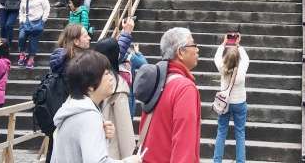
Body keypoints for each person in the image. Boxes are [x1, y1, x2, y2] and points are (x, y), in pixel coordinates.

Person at [52, 50, 141, 163]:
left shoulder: (73, 108)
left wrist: (101, 134)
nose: (111, 78)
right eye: (106, 74)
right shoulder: (88, 117)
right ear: (90, 86)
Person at [139, 27, 201, 163]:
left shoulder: (157, 80)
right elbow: (184, 144)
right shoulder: (185, 88)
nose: (197, 49)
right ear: (180, 52)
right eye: (193, 45)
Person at [45, 24, 92, 163]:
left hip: (58, 113)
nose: (89, 37)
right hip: (71, 115)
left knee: (55, 150)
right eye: (85, 35)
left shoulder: (61, 60)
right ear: (76, 41)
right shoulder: (75, 65)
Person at [94, 38, 136, 159]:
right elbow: (124, 129)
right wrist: (130, 158)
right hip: (110, 152)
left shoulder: (90, 80)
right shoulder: (117, 85)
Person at [213, 34, 250, 163]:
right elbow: (245, 57)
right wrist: (238, 44)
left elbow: (216, 56)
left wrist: (224, 43)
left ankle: (217, 161)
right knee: (240, 133)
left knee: (221, 132)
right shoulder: (243, 68)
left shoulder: (222, 67)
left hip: (225, 104)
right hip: (239, 102)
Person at [18, 0, 50, 69]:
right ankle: (22, 54)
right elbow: (21, 10)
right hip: (25, 21)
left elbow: (47, 8)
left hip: (37, 22)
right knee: (21, 37)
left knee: (33, 41)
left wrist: (43, 20)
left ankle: (31, 58)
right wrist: (21, 21)